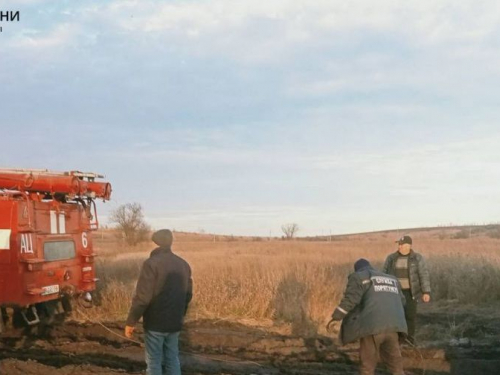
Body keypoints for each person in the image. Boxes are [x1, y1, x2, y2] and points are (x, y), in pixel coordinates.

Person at [125, 229, 193, 375]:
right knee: (172, 359)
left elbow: (143, 298)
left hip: (155, 324)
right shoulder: (184, 265)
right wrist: (180, 315)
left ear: (156, 243)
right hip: (175, 322)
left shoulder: (150, 264)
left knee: (154, 361)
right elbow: (188, 295)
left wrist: (131, 322)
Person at [329, 259, 407, 375]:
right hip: (394, 327)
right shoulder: (392, 279)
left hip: (372, 327)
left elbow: (350, 300)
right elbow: (403, 301)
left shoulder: (359, 277)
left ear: (358, 269)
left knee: (367, 366)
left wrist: (336, 317)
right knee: (396, 366)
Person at [383, 235, 431, 345]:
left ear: (409, 245)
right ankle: (397, 339)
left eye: (401, 244)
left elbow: (423, 275)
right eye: (398, 244)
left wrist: (426, 292)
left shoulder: (417, 258)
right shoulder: (391, 258)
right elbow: (384, 274)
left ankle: (409, 339)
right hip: (395, 293)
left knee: (410, 316)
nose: (399, 246)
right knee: (396, 316)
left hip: (411, 292)